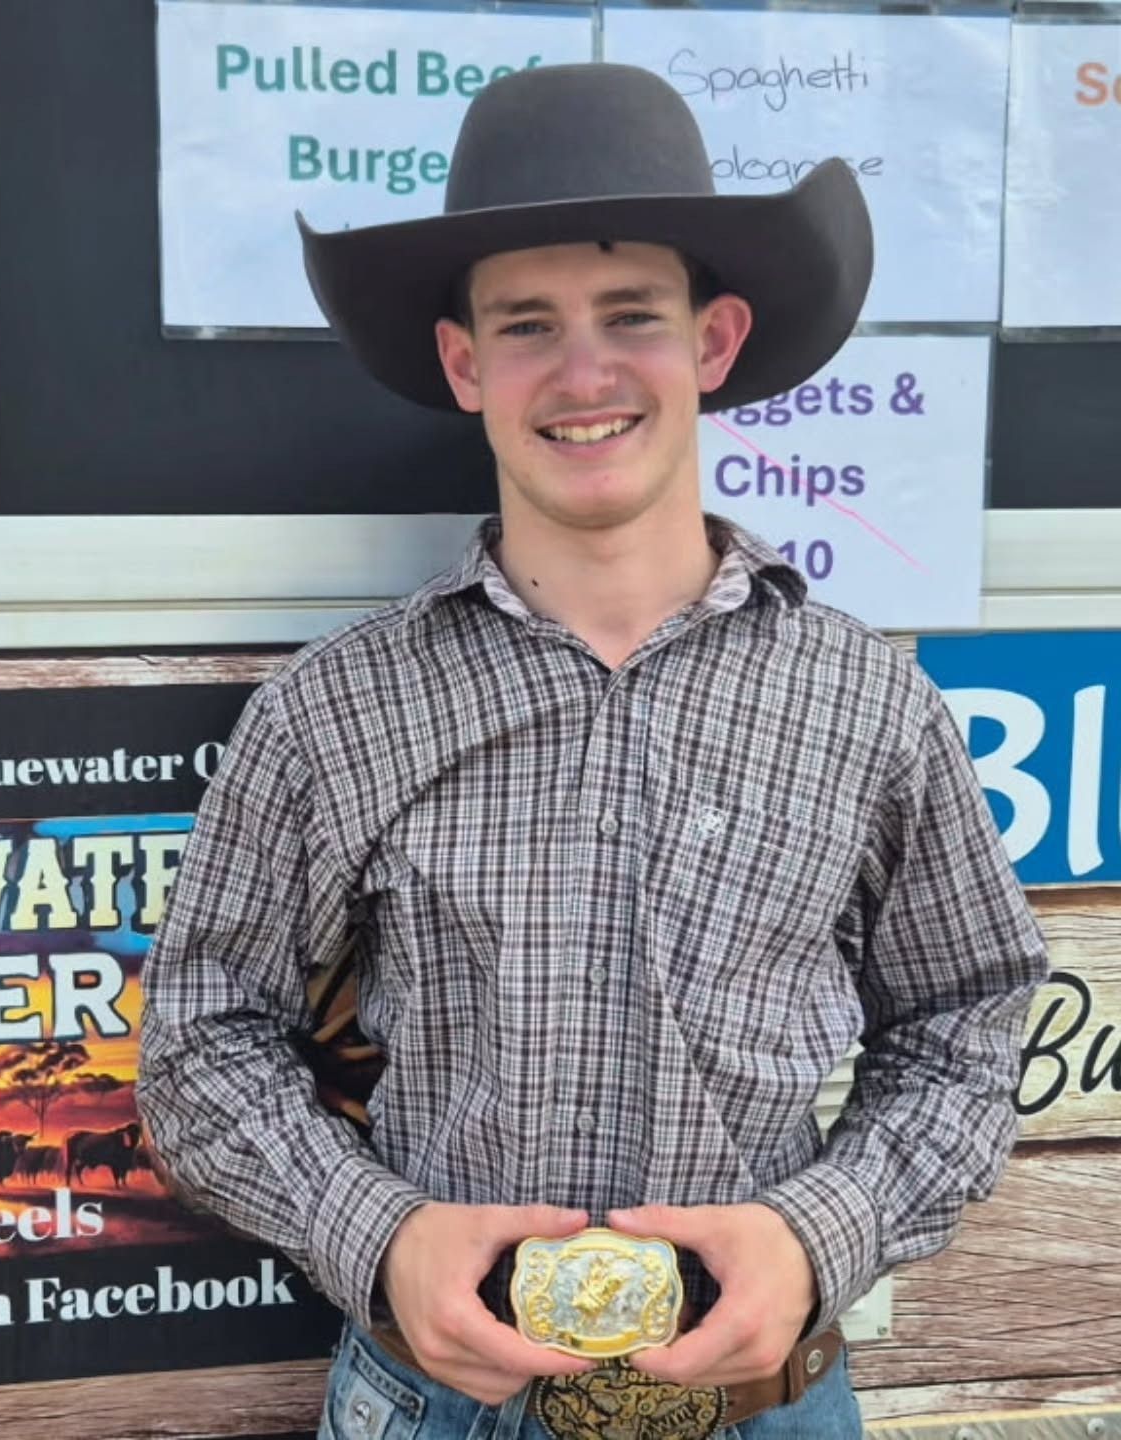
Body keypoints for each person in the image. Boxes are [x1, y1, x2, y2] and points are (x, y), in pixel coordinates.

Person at [138, 63, 1048, 1439]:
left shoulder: (869, 705)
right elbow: (201, 1042)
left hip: (766, 1408)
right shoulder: (338, 708)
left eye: (633, 317)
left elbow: (967, 1020)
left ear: (715, 341)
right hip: (438, 1409)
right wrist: (377, 1235)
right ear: (463, 363)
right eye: (526, 325)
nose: (583, 374)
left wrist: (819, 1233)